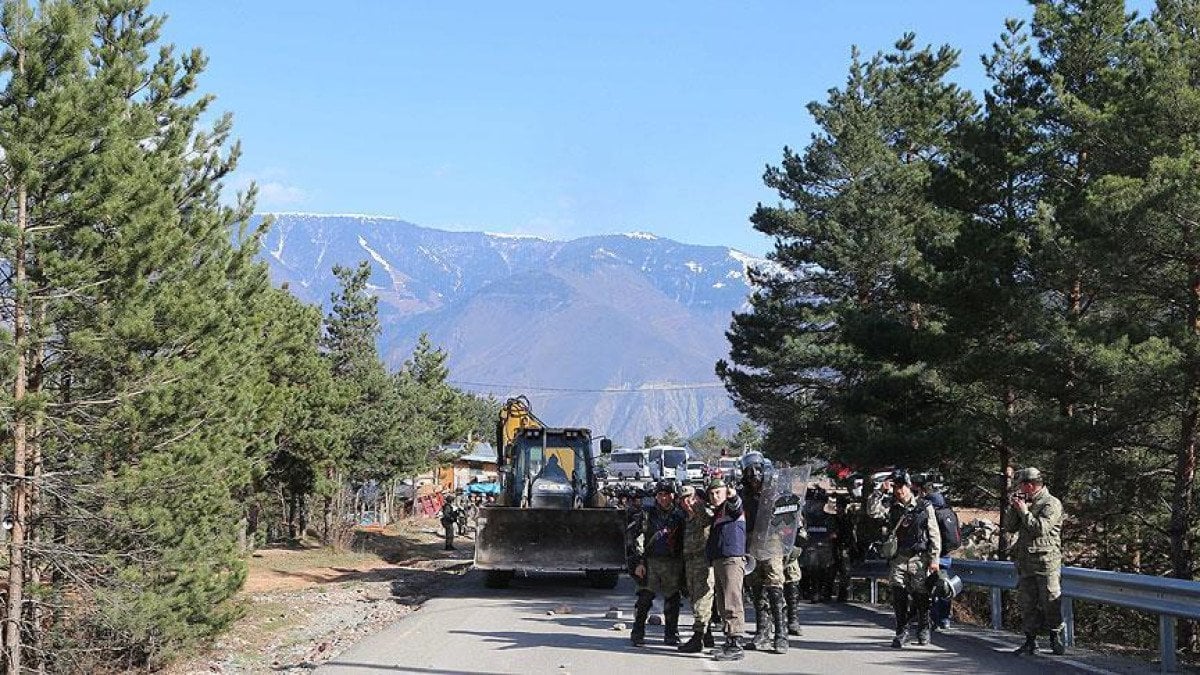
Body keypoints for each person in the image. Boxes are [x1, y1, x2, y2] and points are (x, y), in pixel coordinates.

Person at [870, 470, 940, 648]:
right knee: (898, 594)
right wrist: (880, 492)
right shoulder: (892, 506)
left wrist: (934, 559)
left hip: (919, 558)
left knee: (921, 595)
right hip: (899, 557)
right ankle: (901, 631)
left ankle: (924, 628)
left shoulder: (924, 506)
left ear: (909, 486)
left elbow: (934, 534)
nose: (898, 490)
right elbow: (872, 511)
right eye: (895, 487)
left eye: (901, 486)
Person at [1003, 467, 1065, 656]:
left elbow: (1040, 528)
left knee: (1050, 602)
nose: (1020, 488)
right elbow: (1010, 527)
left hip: (1046, 563)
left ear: (1030, 485)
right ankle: (1030, 641)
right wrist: (1015, 508)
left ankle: (1056, 639)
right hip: (1026, 563)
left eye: (1022, 484)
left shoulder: (1051, 503)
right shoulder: (1025, 503)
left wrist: (1024, 511)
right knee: (1027, 603)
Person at [740, 453, 789, 654]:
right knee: (756, 588)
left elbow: (789, 518)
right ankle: (762, 632)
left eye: (756, 471)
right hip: (752, 543)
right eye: (749, 472)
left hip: (773, 542)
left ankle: (781, 634)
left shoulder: (775, 493)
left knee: (775, 587)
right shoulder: (743, 495)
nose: (753, 476)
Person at [629, 481, 686, 647]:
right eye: (660, 495)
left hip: (673, 562)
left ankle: (671, 634)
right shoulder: (647, 515)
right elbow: (636, 539)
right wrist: (639, 562)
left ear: (673, 496)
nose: (663, 498)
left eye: (667, 494)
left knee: (672, 599)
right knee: (644, 598)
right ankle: (637, 632)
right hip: (650, 562)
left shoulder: (680, 515)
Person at [705, 477, 746, 662]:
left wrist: (733, 495)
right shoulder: (718, 512)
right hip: (720, 559)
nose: (714, 496)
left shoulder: (730, 506)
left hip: (731, 559)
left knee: (732, 601)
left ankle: (736, 643)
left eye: (718, 492)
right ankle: (729, 641)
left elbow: (737, 506)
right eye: (712, 494)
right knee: (722, 603)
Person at [677, 485, 716, 653]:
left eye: (690, 498)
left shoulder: (703, 512)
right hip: (691, 563)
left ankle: (698, 636)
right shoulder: (687, 518)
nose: (687, 502)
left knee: (702, 599)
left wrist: (697, 505)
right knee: (694, 599)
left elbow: (708, 518)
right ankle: (707, 634)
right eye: (683, 499)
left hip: (703, 563)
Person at [912, 475, 953, 629]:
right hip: (946, 555)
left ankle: (931, 618)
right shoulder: (946, 507)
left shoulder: (927, 506)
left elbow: (930, 533)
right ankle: (944, 619)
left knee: (926, 588)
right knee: (944, 586)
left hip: (932, 554)